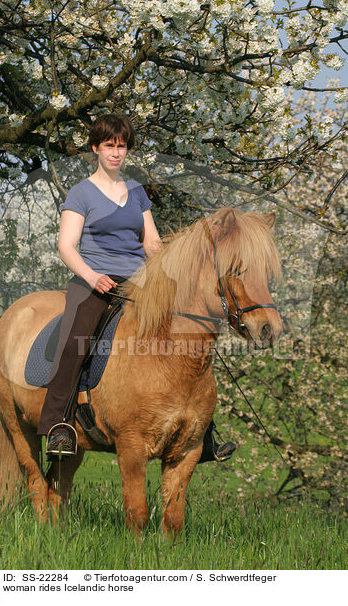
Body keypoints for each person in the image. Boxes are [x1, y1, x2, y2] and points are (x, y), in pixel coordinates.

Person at [37, 113, 235, 463]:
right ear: (96, 148)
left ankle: (202, 434)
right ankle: (58, 426)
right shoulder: (81, 193)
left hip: (139, 283)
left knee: (189, 334)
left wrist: (169, 273)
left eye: (122, 146)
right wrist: (93, 276)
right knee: (74, 341)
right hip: (93, 282)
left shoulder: (136, 192)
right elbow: (66, 245)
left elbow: (152, 241)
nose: (116, 153)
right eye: (110, 146)